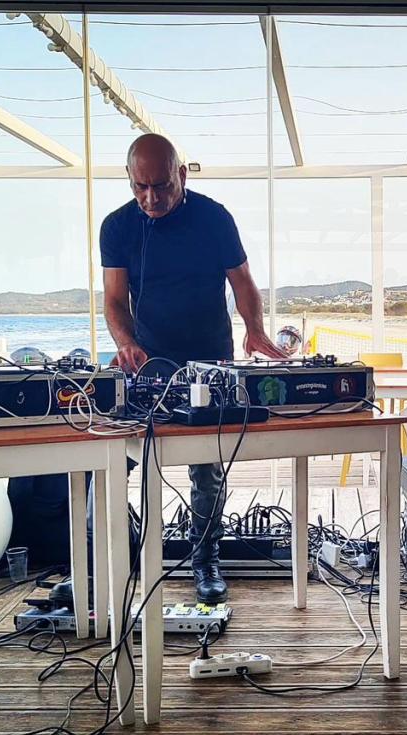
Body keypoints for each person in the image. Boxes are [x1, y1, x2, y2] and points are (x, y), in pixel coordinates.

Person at [101, 134, 284, 603]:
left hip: (209, 356)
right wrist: (125, 343)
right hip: (148, 359)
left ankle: (205, 559)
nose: (151, 198)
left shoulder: (214, 218)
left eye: (162, 185)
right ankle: (109, 559)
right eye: (140, 186)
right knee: (114, 459)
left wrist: (255, 329)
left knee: (207, 468)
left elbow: (242, 282)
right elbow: (115, 299)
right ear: (129, 179)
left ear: (181, 174)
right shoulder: (116, 227)